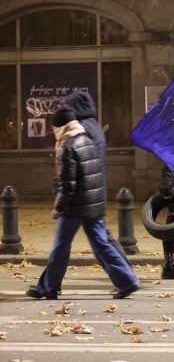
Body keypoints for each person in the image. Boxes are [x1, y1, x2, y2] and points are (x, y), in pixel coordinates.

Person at [27, 105, 139, 300]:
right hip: (93, 203)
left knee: (61, 247)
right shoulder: (87, 140)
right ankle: (127, 280)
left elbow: (68, 184)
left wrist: (59, 208)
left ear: (62, 126)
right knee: (101, 244)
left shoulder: (68, 146)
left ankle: (48, 287)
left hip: (75, 206)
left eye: (55, 127)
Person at [63, 91, 130, 266]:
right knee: (99, 234)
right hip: (93, 187)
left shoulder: (82, 129)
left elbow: (78, 160)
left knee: (95, 237)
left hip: (85, 190)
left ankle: (125, 273)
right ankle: (125, 272)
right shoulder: (94, 126)